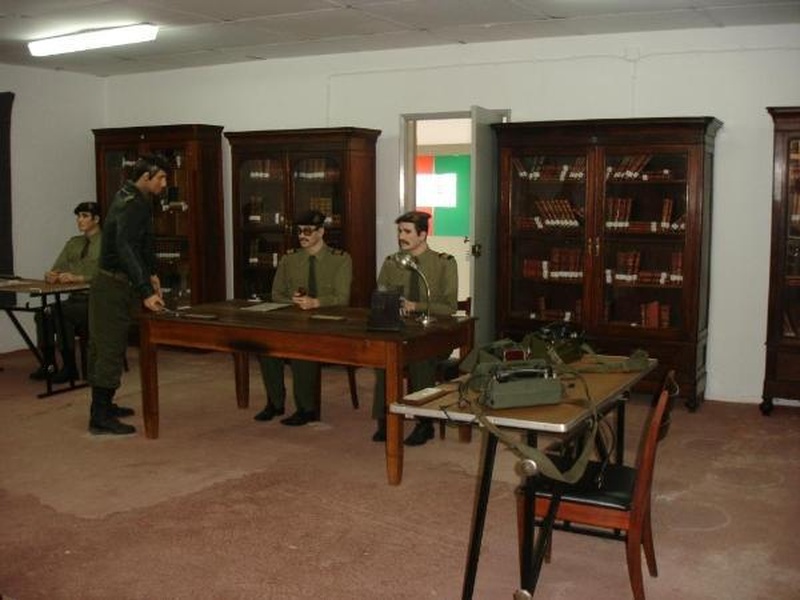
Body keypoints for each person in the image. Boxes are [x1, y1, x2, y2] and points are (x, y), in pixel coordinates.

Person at [86, 154, 167, 435]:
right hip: (112, 285)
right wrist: (145, 290)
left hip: (120, 283)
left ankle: (105, 405)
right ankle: (99, 416)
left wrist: (151, 273)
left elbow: (143, 242)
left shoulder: (138, 199)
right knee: (108, 348)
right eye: (161, 178)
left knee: (111, 345)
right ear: (145, 177)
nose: (164, 184)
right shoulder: (130, 203)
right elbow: (125, 247)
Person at [254, 210, 353, 426]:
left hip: (328, 321)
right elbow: (276, 294)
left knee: (301, 348)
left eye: (307, 231)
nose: (302, 236)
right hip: (296, 319)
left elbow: (342, 298)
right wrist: (293, 301)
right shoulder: (290, 259)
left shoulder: (340, 259)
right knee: (266, 347)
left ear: (321, 232)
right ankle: (275, 403)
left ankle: (306, 408)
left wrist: (316, 302)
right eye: (299, 231)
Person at [372, 210, 457, 446]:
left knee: (421, 358)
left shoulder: (444, 263)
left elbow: (449, 307)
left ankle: (424, 422)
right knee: (385, 357)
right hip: (402, 330)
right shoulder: (392, 263)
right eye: (400, 231)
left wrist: (415, 306)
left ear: (422, 235)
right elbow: (381, 298)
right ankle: (386, 418)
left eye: (407, 232)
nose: (401, 236)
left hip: (434, 335)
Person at [29, 201, 102, 384]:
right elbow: (58, 268)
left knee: (61, 313)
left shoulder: (108, 242)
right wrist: (52, 275)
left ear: (96, 219)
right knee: (43, 314)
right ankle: (49, 364)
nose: (79, 220)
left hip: (97, 301)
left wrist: (79, 278)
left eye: (85, 216)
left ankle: (70, 368)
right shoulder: (74, 243)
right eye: (78, 216)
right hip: (75, 299)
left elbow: (110, 274)